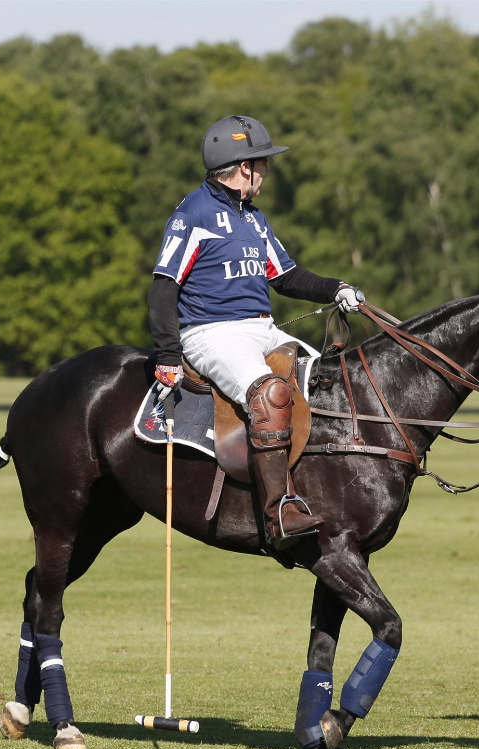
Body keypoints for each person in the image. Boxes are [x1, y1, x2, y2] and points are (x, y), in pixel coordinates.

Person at [148, 115, 364, 548]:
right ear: (243, 167)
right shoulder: (194, 213)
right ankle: (278, 512)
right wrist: (168, 355)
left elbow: (286, 276)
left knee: (331, 379)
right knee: (270, 396)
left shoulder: (253, 218)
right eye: (263, 163)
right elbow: (163, 286)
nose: (266, 170)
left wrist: (335, 289)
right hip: (212, 334)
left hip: (262, 329)